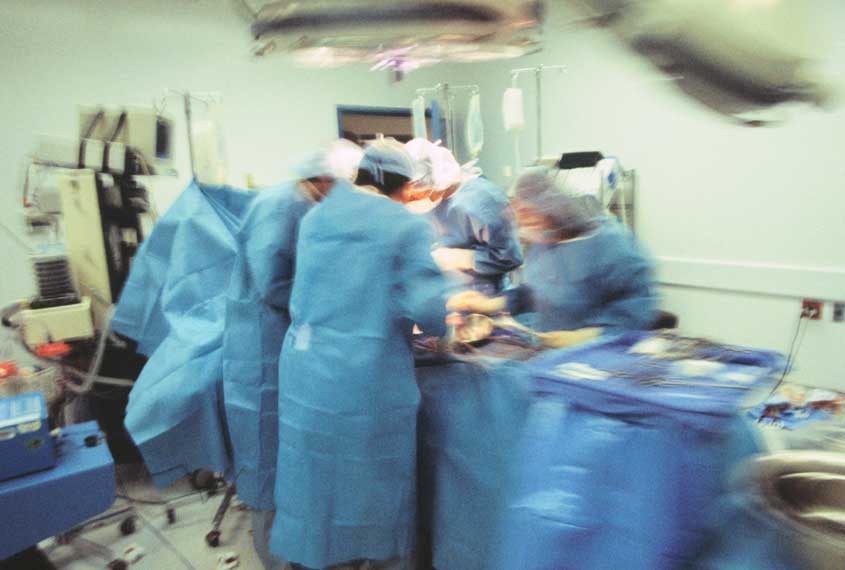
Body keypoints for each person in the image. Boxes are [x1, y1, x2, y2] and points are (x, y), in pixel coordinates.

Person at [269, 139, 451, 570]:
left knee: (315, 486)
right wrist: (450, 316)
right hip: (364, 383)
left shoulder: (316, 217)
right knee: (370, 494)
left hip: (306, 375)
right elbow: (429, 310)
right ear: (403, 186)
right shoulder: (402, 226)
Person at [223, 142, 363, 570]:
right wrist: (332, 307)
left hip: (285, 340)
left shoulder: (306, 204)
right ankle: (278, 559)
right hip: (261, 348)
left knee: (294, 456)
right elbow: (274, 284)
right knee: (268, 455)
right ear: (324, 179)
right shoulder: (281, 206)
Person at [449, 166, 657, 340]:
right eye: (517, 212)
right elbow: (534, 293)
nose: (522, 222)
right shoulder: (543, 242)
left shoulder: (612, 246)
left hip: (601, 360)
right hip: (550, 355)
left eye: (528, 212)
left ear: (553, 207)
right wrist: (488, 304)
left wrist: (583, 337)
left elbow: (634, 316)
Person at [404, 139, 523, 295]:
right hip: (445, 294)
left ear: (435, 182)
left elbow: (510, 258)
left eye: (415, 195)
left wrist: (463, 258)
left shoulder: (481, 200)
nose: (410, 201)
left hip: (484, 299)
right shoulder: (431, 204)